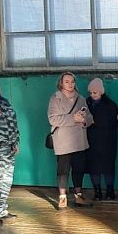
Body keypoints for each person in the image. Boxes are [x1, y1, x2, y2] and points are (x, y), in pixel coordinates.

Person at [48, 72, 94, 209]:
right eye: (67, 81)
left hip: (79, 140)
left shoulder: (81, 99)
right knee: (63, 170)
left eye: (72, 81)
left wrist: (85, 120)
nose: (70, 84)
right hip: (63, 140)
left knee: (79, 168)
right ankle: (62, 197)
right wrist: (74, 119)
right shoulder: (55, 99)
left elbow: (90, 117)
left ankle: (78, 195)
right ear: (61, 83)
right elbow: (53, 119)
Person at [86, 78, 118, 201]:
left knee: (108, 166)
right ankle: (97, 191)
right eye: (91, 93)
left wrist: (94, 121)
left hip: (107, 141)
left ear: (101, 91)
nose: (93, 95)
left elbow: (113, 122)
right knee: (94, 167)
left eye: (95, 92)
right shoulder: (86, 103)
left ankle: (110, 190)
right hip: (92, 141)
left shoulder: (111, 105)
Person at [0, 85, 19, 221]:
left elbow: (12, 123)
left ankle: (1, 210)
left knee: (6, 180)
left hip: (8, 147)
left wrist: (15, 141)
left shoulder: (4, 102)